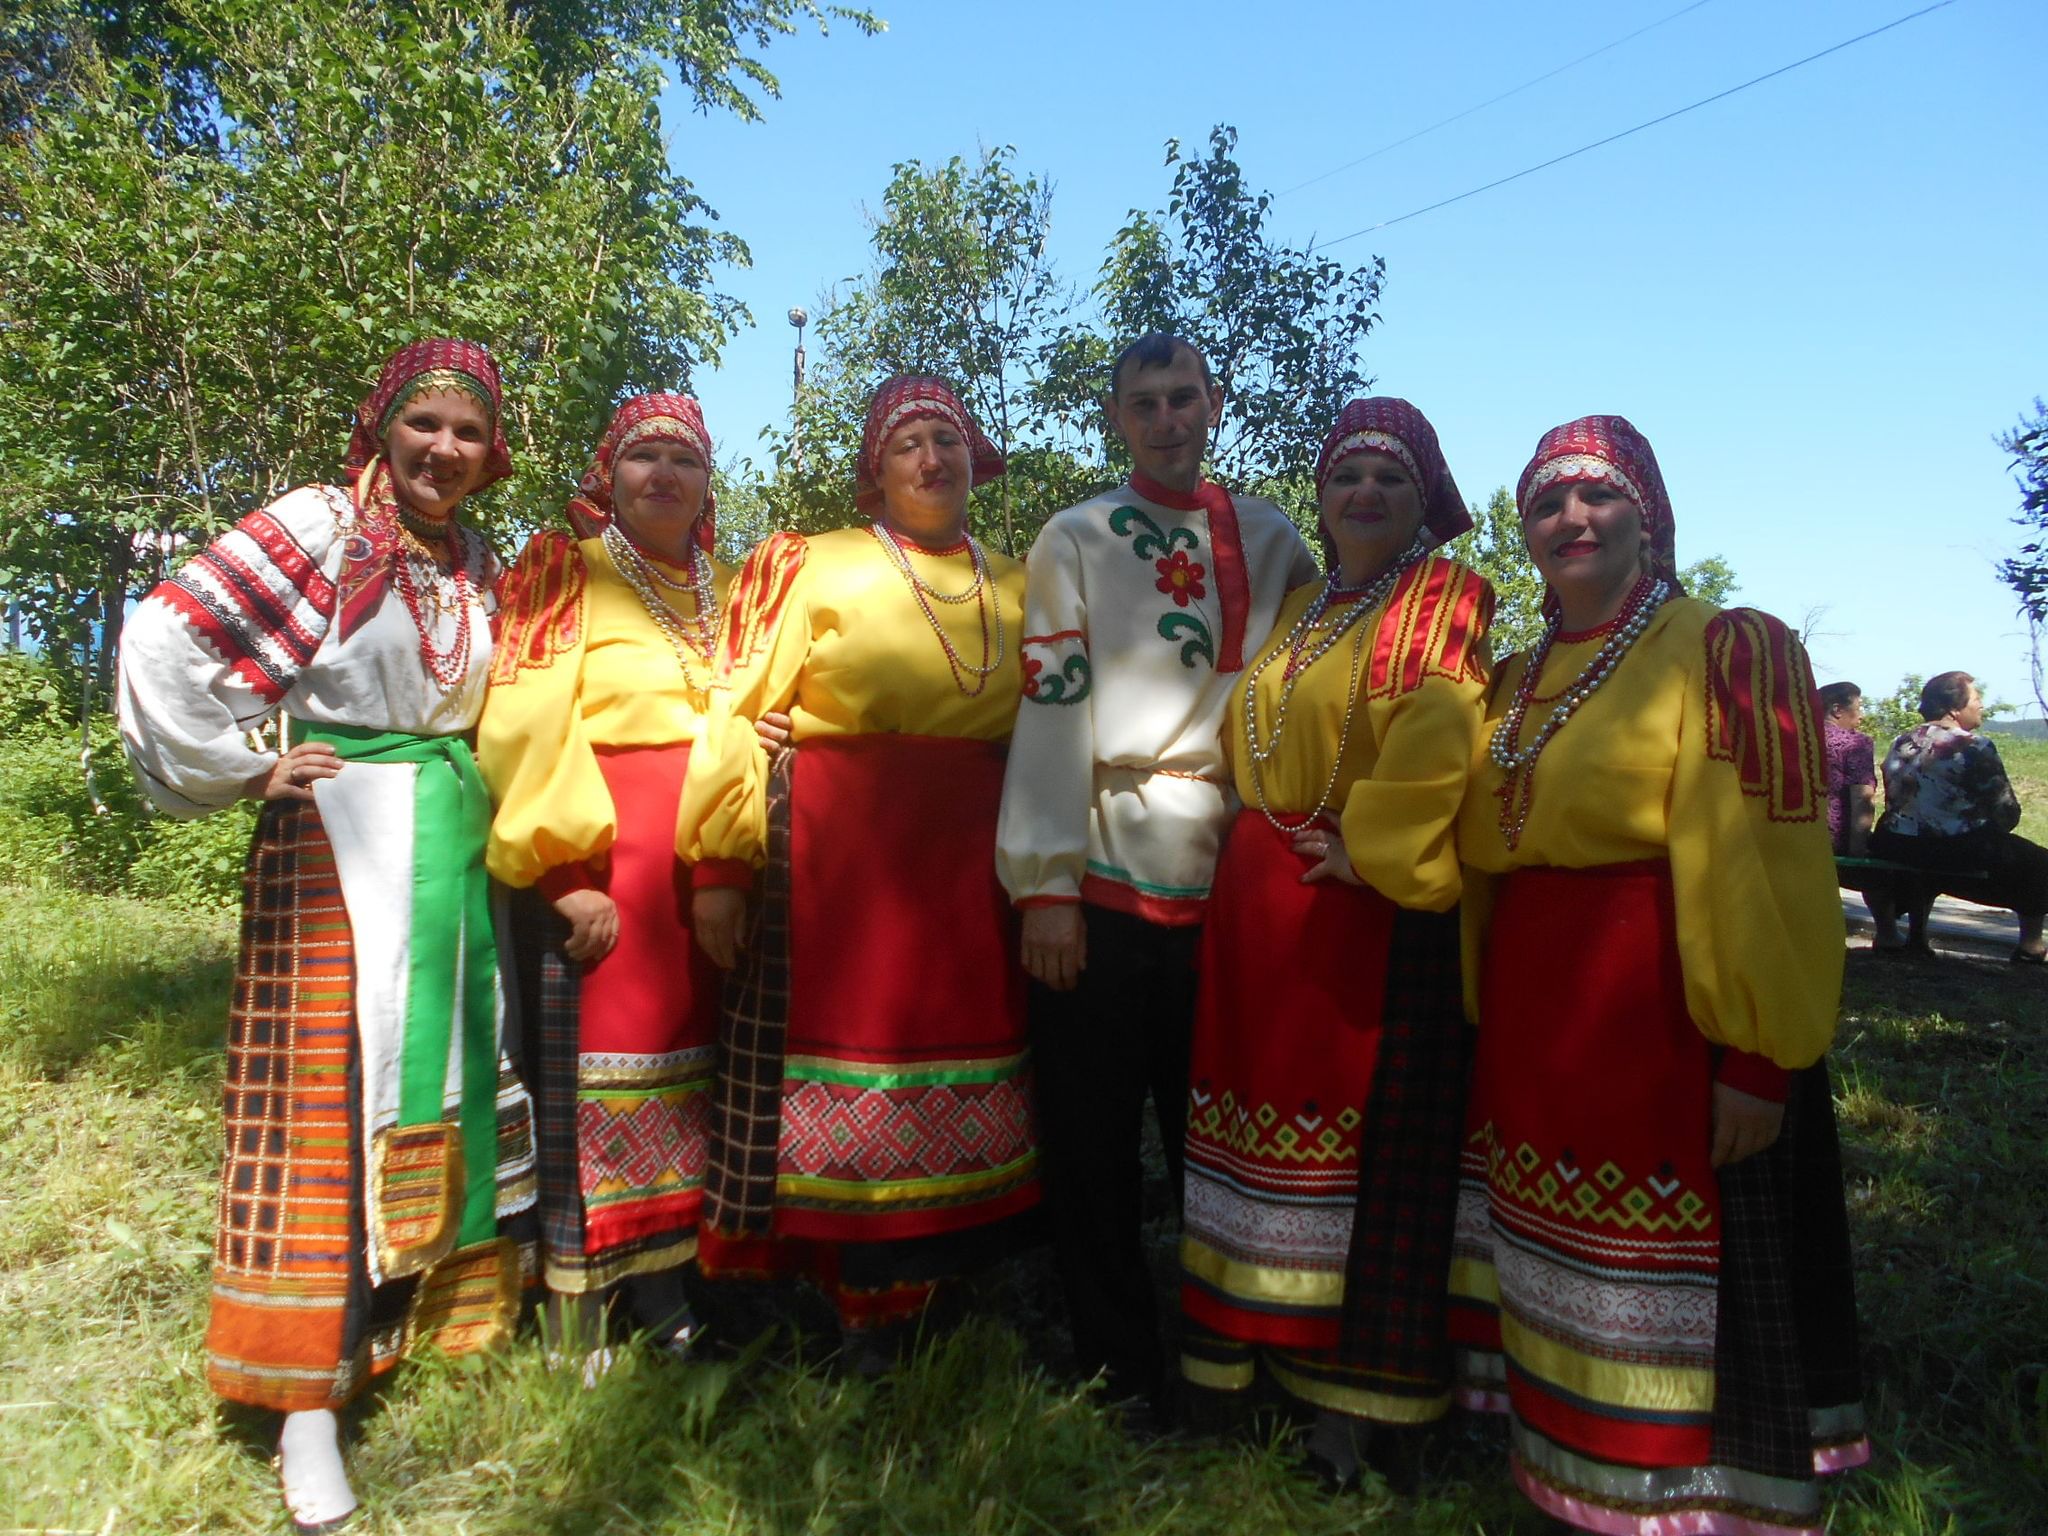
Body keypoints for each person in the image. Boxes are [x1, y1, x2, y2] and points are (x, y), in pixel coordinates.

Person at [116, 339, 538, 1533]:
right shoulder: (320, 524)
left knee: (447, 1080)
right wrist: (240, 770)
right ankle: (305, 1404)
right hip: (337, 850)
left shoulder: (475, 557)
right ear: (383, 427)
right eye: (425, 427)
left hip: (450, 838)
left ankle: (411, 1333)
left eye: (467, 432)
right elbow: (166, 635)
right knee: (317, 1098)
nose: (444, 452)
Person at [1450, 416, 1868, 1535]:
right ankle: (1569, 1477)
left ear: (1647, 517)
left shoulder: (1725, 650)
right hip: (1540, 1026)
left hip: (1664, 1017)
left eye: (1597, 500)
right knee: (1555, 1258)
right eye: (1545, 504)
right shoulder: (1505, 682)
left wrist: (1755, 1058)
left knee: (1674, 1259)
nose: (1569, 520)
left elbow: (1765, 868)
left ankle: (1687, 1502)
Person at [679, 375, 1038, 1368]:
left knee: (959, 1062)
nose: (932, 457)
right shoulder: (808, 564)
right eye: (908, 444)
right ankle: (854, 1303)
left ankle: (942, 1285)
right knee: (845, 1067)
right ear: (874, 474)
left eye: (948, 439)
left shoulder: (1021, 581)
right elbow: (735, 703)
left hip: (969, 868)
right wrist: (719, 859)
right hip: (839, 861)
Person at [995, 333, 1320, 1418]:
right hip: (1097, 859)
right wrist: (1043, 885)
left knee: (1218, 1139)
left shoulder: (1275, 542)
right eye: (1145, 401)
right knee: (1090, 1142)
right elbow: (1050, 709)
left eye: (1184, 396)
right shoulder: (1073, 538)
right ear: (1113, 416)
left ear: (1214, 401)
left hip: (1228, 877)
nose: (1168, 417)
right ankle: (1115, 1368)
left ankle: (1232, 1356)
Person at [1177, 398, 1493, 1488]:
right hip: (1256, 908)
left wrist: (1373, 847)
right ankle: (1246, 1363)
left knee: (1352, 1158)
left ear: (1423, 503)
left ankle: (1346, 1411)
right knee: (1248, 1140)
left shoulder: (1441, 594)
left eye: (1389, 479)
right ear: (1318, 495)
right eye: (1345, 474)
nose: (1362, 493)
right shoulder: (1303, 607)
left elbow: (1443, 719)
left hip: (1351, 908)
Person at [478, 394, 734, 1366]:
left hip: (704, 875)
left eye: (684, 460)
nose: (663, 475)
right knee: (587, 1087)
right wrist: (565, 873)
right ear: (608, 476)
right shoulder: (565, 573)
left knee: (679, 1089)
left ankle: (664, 1286)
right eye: (643, 457)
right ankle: (576, 1310)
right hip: (604, 871)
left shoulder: (731, 589)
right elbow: (523, 718)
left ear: (708, 484)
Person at [1871, 670, 2048, 962]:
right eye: (1976, 699)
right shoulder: (1974, 746)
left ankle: (1913, 937)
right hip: (1953, 848)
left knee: (1924, 860)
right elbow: (2006, 810)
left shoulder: (1901, 741)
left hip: (1897, 842)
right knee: (2039, 864)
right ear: (1955, 708)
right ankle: (2031, 946)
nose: (1980, 706)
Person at [1821, 682, 1879, 856]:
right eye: (1859, 708)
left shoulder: (1793, 740)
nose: (1861, 717)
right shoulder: (1856, 743)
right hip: (1835, 841)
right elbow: (1861, 797)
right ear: (1837, 710)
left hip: (1794, 834)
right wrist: (1858, 850)